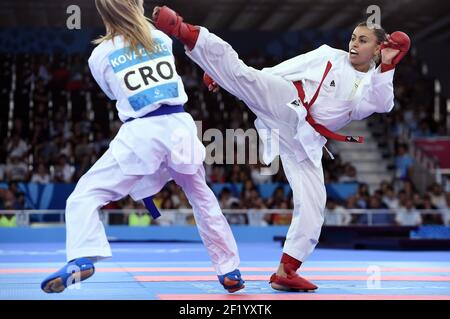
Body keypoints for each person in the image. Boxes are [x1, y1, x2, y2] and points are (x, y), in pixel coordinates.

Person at [152, 5, 410, 291]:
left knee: (314, 205)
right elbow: (282, 70)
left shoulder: (372, 83)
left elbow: (381, 104)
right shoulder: (328, 55)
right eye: (353, 37)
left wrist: (388, 66)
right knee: (245, 75)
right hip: (288, 103)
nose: (353, 44)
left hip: (304, 141)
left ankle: (286, 271)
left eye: (363, 40)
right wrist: (226, 77)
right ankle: (183, 30)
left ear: (377, 49)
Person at [40, 0, 244, 294]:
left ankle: (82, 256)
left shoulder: (99, 55)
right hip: (180, 126)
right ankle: (229, 271)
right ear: (137, 6)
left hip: (142, 132)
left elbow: (113, 92)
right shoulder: (161, 38)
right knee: (202, 198)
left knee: (85, 195)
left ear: (104, 14)